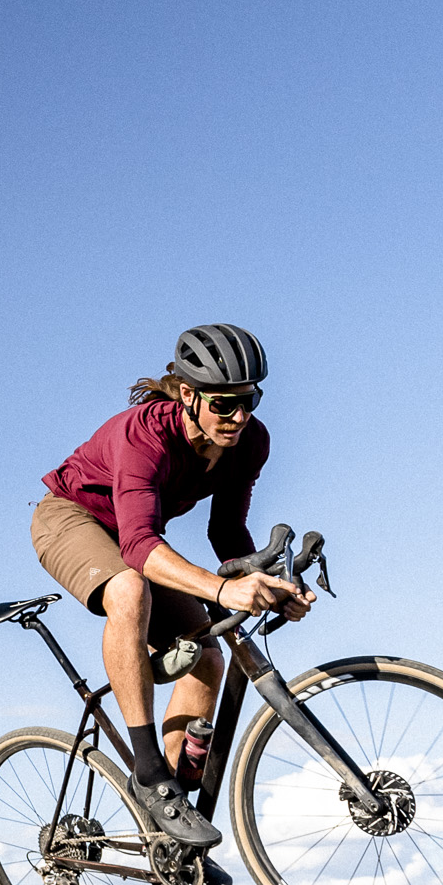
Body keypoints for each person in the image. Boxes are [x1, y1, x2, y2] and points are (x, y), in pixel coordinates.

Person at [31, 324, 313, 848]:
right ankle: (147, 772)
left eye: (249, 401)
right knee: (128, 590)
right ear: (188, 394)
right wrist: (222, 590)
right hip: (73, 519)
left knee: (208, 656)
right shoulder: (144, 435)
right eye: (224, 404)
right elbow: (139, 546)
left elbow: (226, 531)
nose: (239, 417)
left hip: (134, 540)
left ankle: (173, 824)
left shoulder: (250, 442)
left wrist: (263, 584)